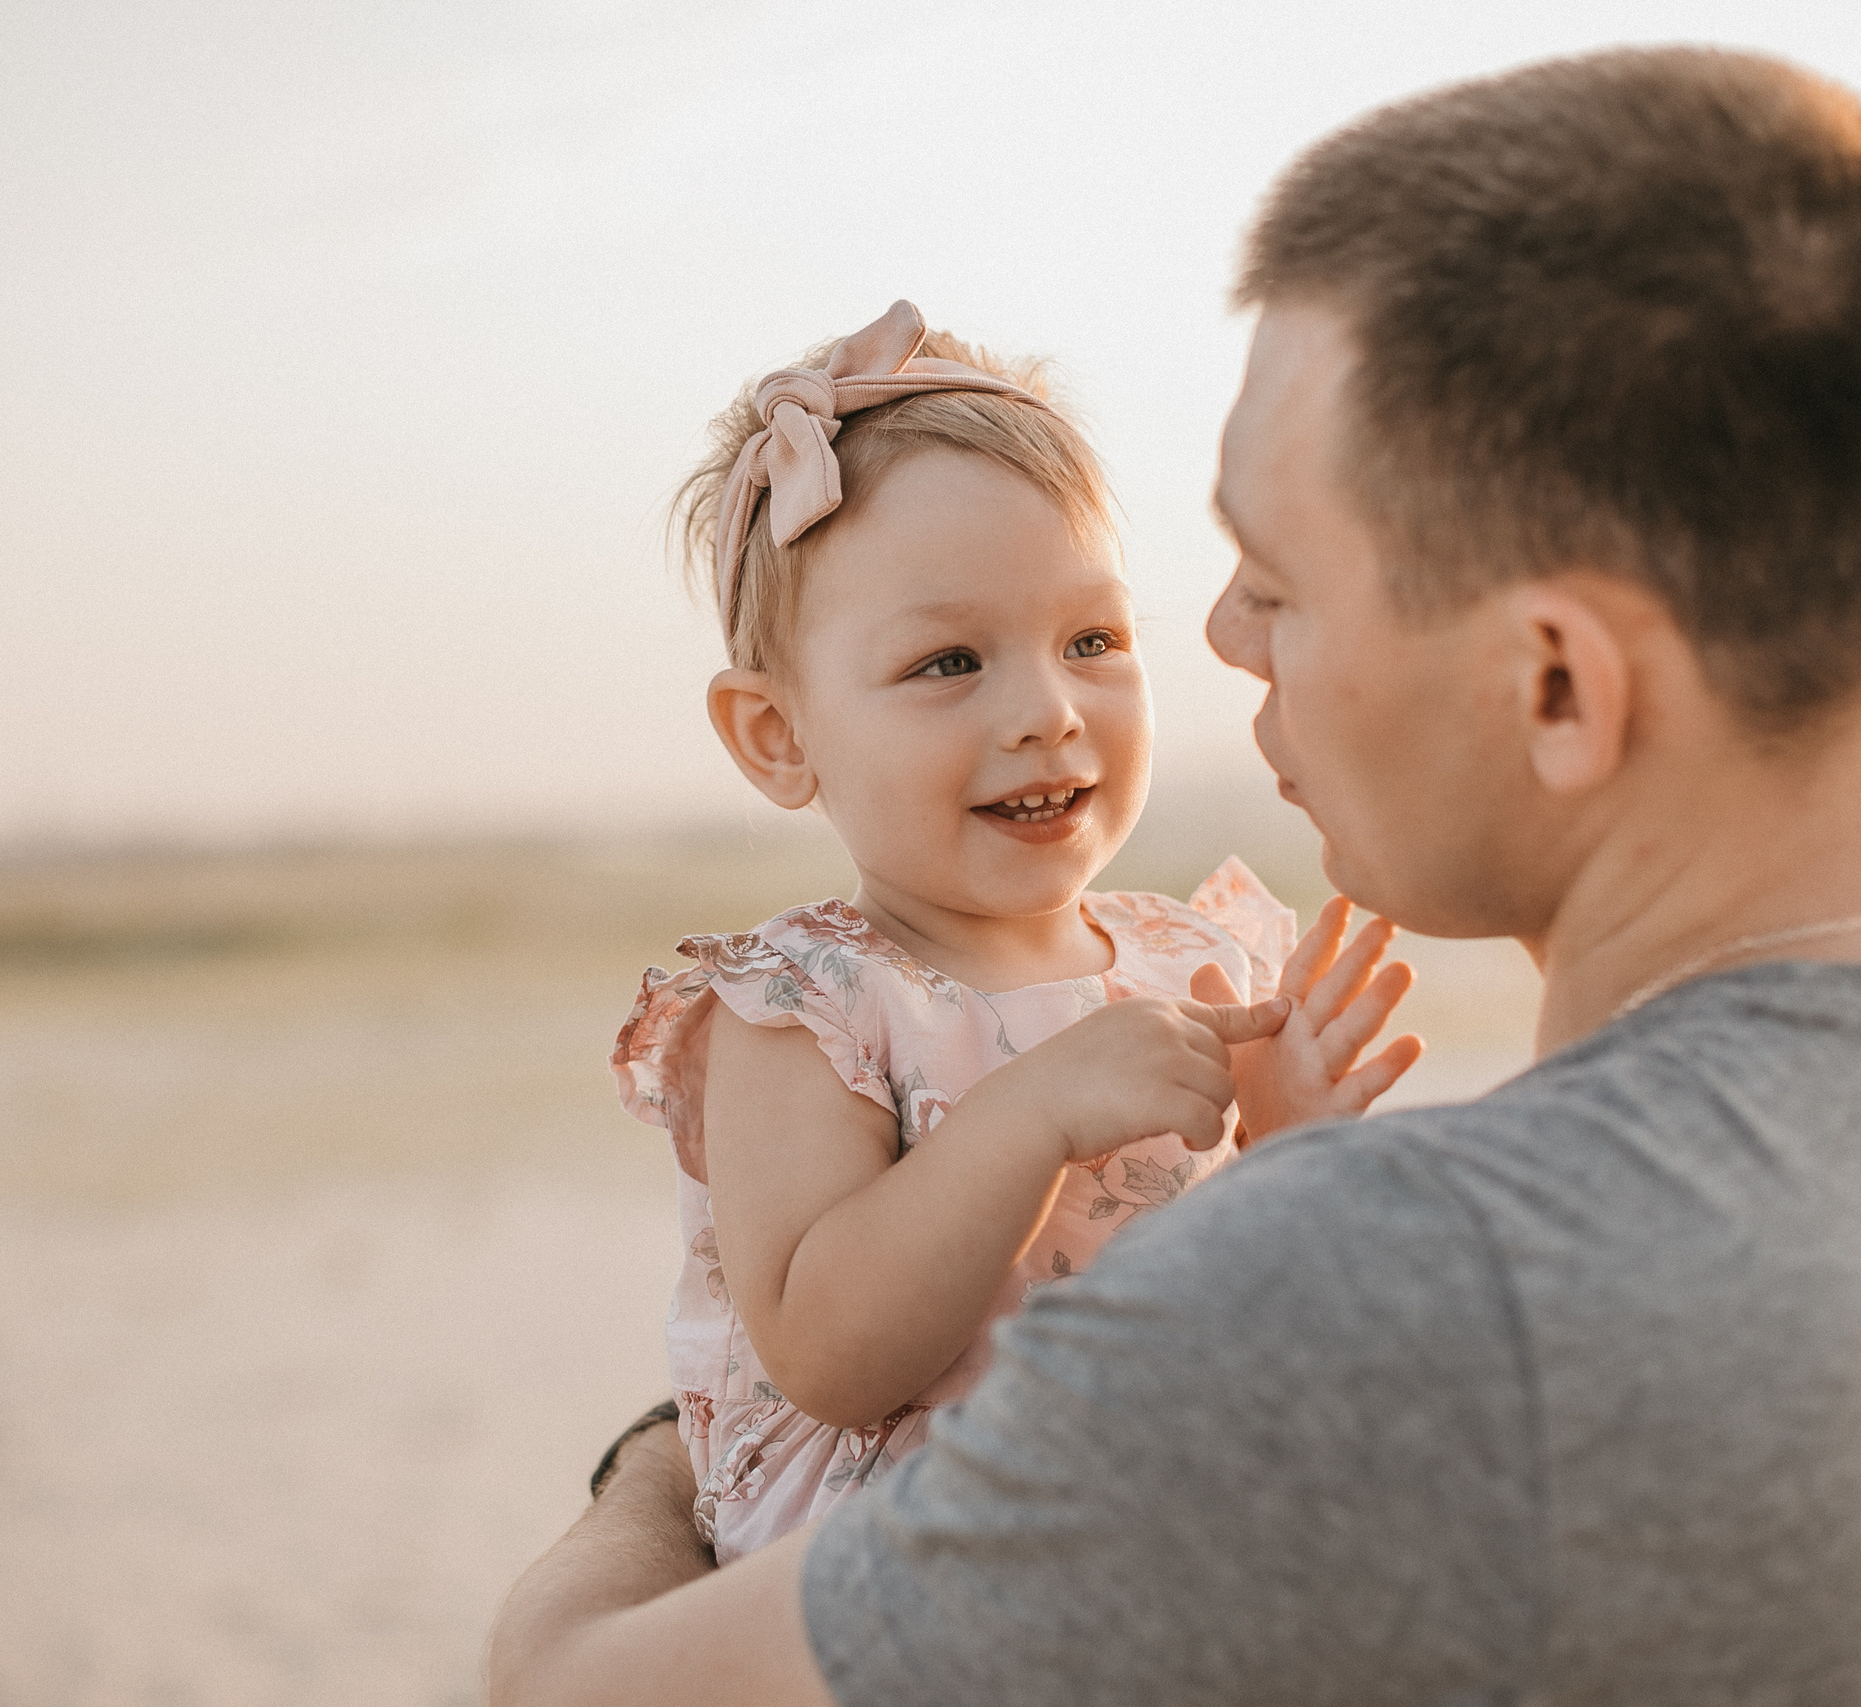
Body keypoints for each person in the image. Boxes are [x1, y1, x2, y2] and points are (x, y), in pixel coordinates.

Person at [489, 45, 1861, 1706]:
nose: (1219, 640)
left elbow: (564, 1687)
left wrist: (657, 1476)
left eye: (1277, 581)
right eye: (948, 662)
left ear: (1555, 681)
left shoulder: (1390, 1287)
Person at [608, 301, 1425, 1562]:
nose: (1047, 710)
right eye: (948, 663)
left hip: (1144, 1531)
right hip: (894, 1576)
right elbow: (831, 1357)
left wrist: (1281, 1160)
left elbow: (1219, 1316)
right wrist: (1032, 1114)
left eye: (1091, 640)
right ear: (781, 736)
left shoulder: (1175, 962)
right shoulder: (809, 1007)